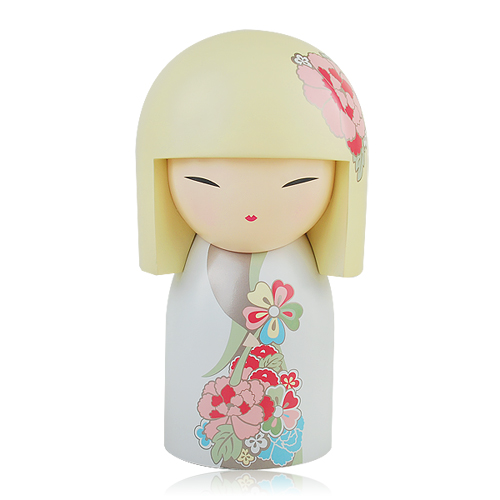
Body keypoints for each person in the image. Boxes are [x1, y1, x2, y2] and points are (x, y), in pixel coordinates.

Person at [136, 30, 368, 469]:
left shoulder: (301, 269)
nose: (250, 209)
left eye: (296, 182)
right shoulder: (195, 276)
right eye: (205, 181)